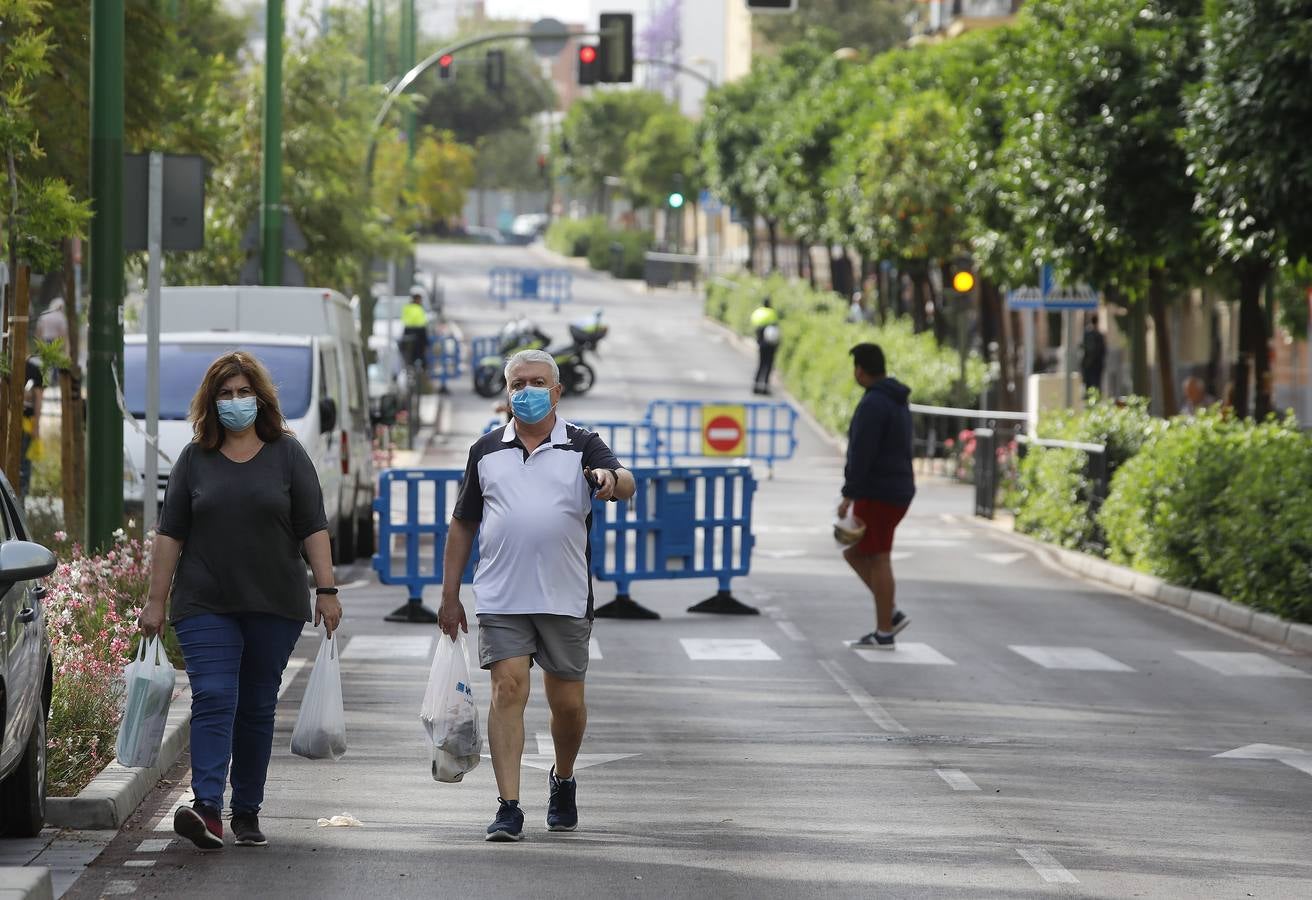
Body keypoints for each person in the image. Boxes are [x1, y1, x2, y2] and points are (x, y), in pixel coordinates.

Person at [139, 351, 342, 851]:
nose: (235, 402)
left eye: (243, 393)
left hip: (275, 602)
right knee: (213, 696)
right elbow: (170, 534)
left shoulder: (288, 455)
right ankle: (207, 808)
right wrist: (155, 601)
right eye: (225, 395)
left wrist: (328, 588)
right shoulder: (194, 459)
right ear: (211, 403)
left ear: (260, 399)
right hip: (205, 600)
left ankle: (247, 809)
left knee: (255, 706)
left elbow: (312, 525)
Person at [440, 349, 635, 842]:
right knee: (508, 690)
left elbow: (625, 481)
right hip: (502, 596)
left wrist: (610, 481)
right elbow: (463, 522)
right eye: (517, 383)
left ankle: (562, 778)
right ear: (506, 392)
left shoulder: (582, 444)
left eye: (537, 382)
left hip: (565, 596)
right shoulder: (486, 450)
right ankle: (508, 806)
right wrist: (450, 595)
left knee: (566, 703)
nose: (526, 391)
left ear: (557, 391)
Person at [838, 343, 916, 649]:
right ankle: (890, 613)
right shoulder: (895, 399)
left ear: (860, 370)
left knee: (878, 556)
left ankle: (885, 630)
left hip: (878, 491)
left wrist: (849, 494)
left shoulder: (873, 403)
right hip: (896, 488)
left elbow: (862, 452)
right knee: (854, 551)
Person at [20, 357, 43, 498]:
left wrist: (36, 426)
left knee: (24, 465)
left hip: (26, 424)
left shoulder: (33, 369)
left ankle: (21, 500)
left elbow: (38, 398)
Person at [750, 297, 781, 395]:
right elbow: (776, 327)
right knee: (768, 365)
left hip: (760, 342)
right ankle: (765, 387)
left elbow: (754, 324)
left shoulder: (758, 312)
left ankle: (755, 385)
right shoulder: (772, 313)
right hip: (770, 344)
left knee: (760, 364)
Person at [400, 290, 430, 374]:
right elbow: (421, 321)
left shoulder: (407, 307)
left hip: (408, 330)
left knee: (410, 352)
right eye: (420, 299)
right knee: (421, 351)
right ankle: (422, 369)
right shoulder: (418, 308)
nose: (421, 301)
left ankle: (411, 367)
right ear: (416, 300)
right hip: (418, 331)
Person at [1080, 315, 1106, 393]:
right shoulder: (1099, 335)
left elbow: (1083, 347)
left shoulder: (1087, 334)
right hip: (1096, 364)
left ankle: (1090, 399)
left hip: (1089, 363)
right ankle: (1095, 399)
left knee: (1088, 384)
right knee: (1096, 384)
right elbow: (1103, 350)